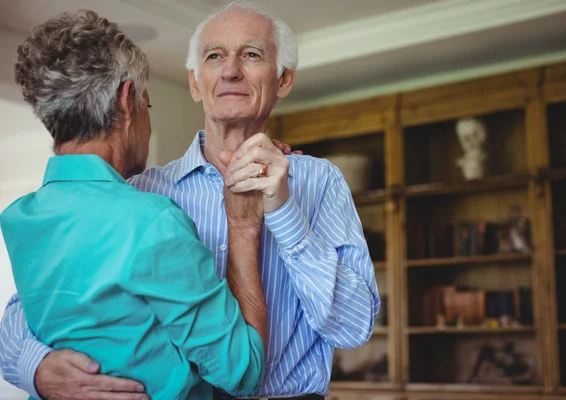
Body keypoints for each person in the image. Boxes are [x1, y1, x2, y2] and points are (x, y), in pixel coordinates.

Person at [1, 1, 381, 399]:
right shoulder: (140, 193)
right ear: (195, 83)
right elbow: (25, 311)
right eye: (214, 56)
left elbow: (354, 328)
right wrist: (37, 368)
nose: (231, 69)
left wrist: (286, 214)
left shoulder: (320, 182)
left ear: (284, 80)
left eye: (251, 54)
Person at [0, 9, 269, 400]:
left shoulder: (20, 218)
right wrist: (243, 230)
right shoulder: (152, 219)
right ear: (127, 102)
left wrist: (34, 368)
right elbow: (243, 372)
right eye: (148, 104)